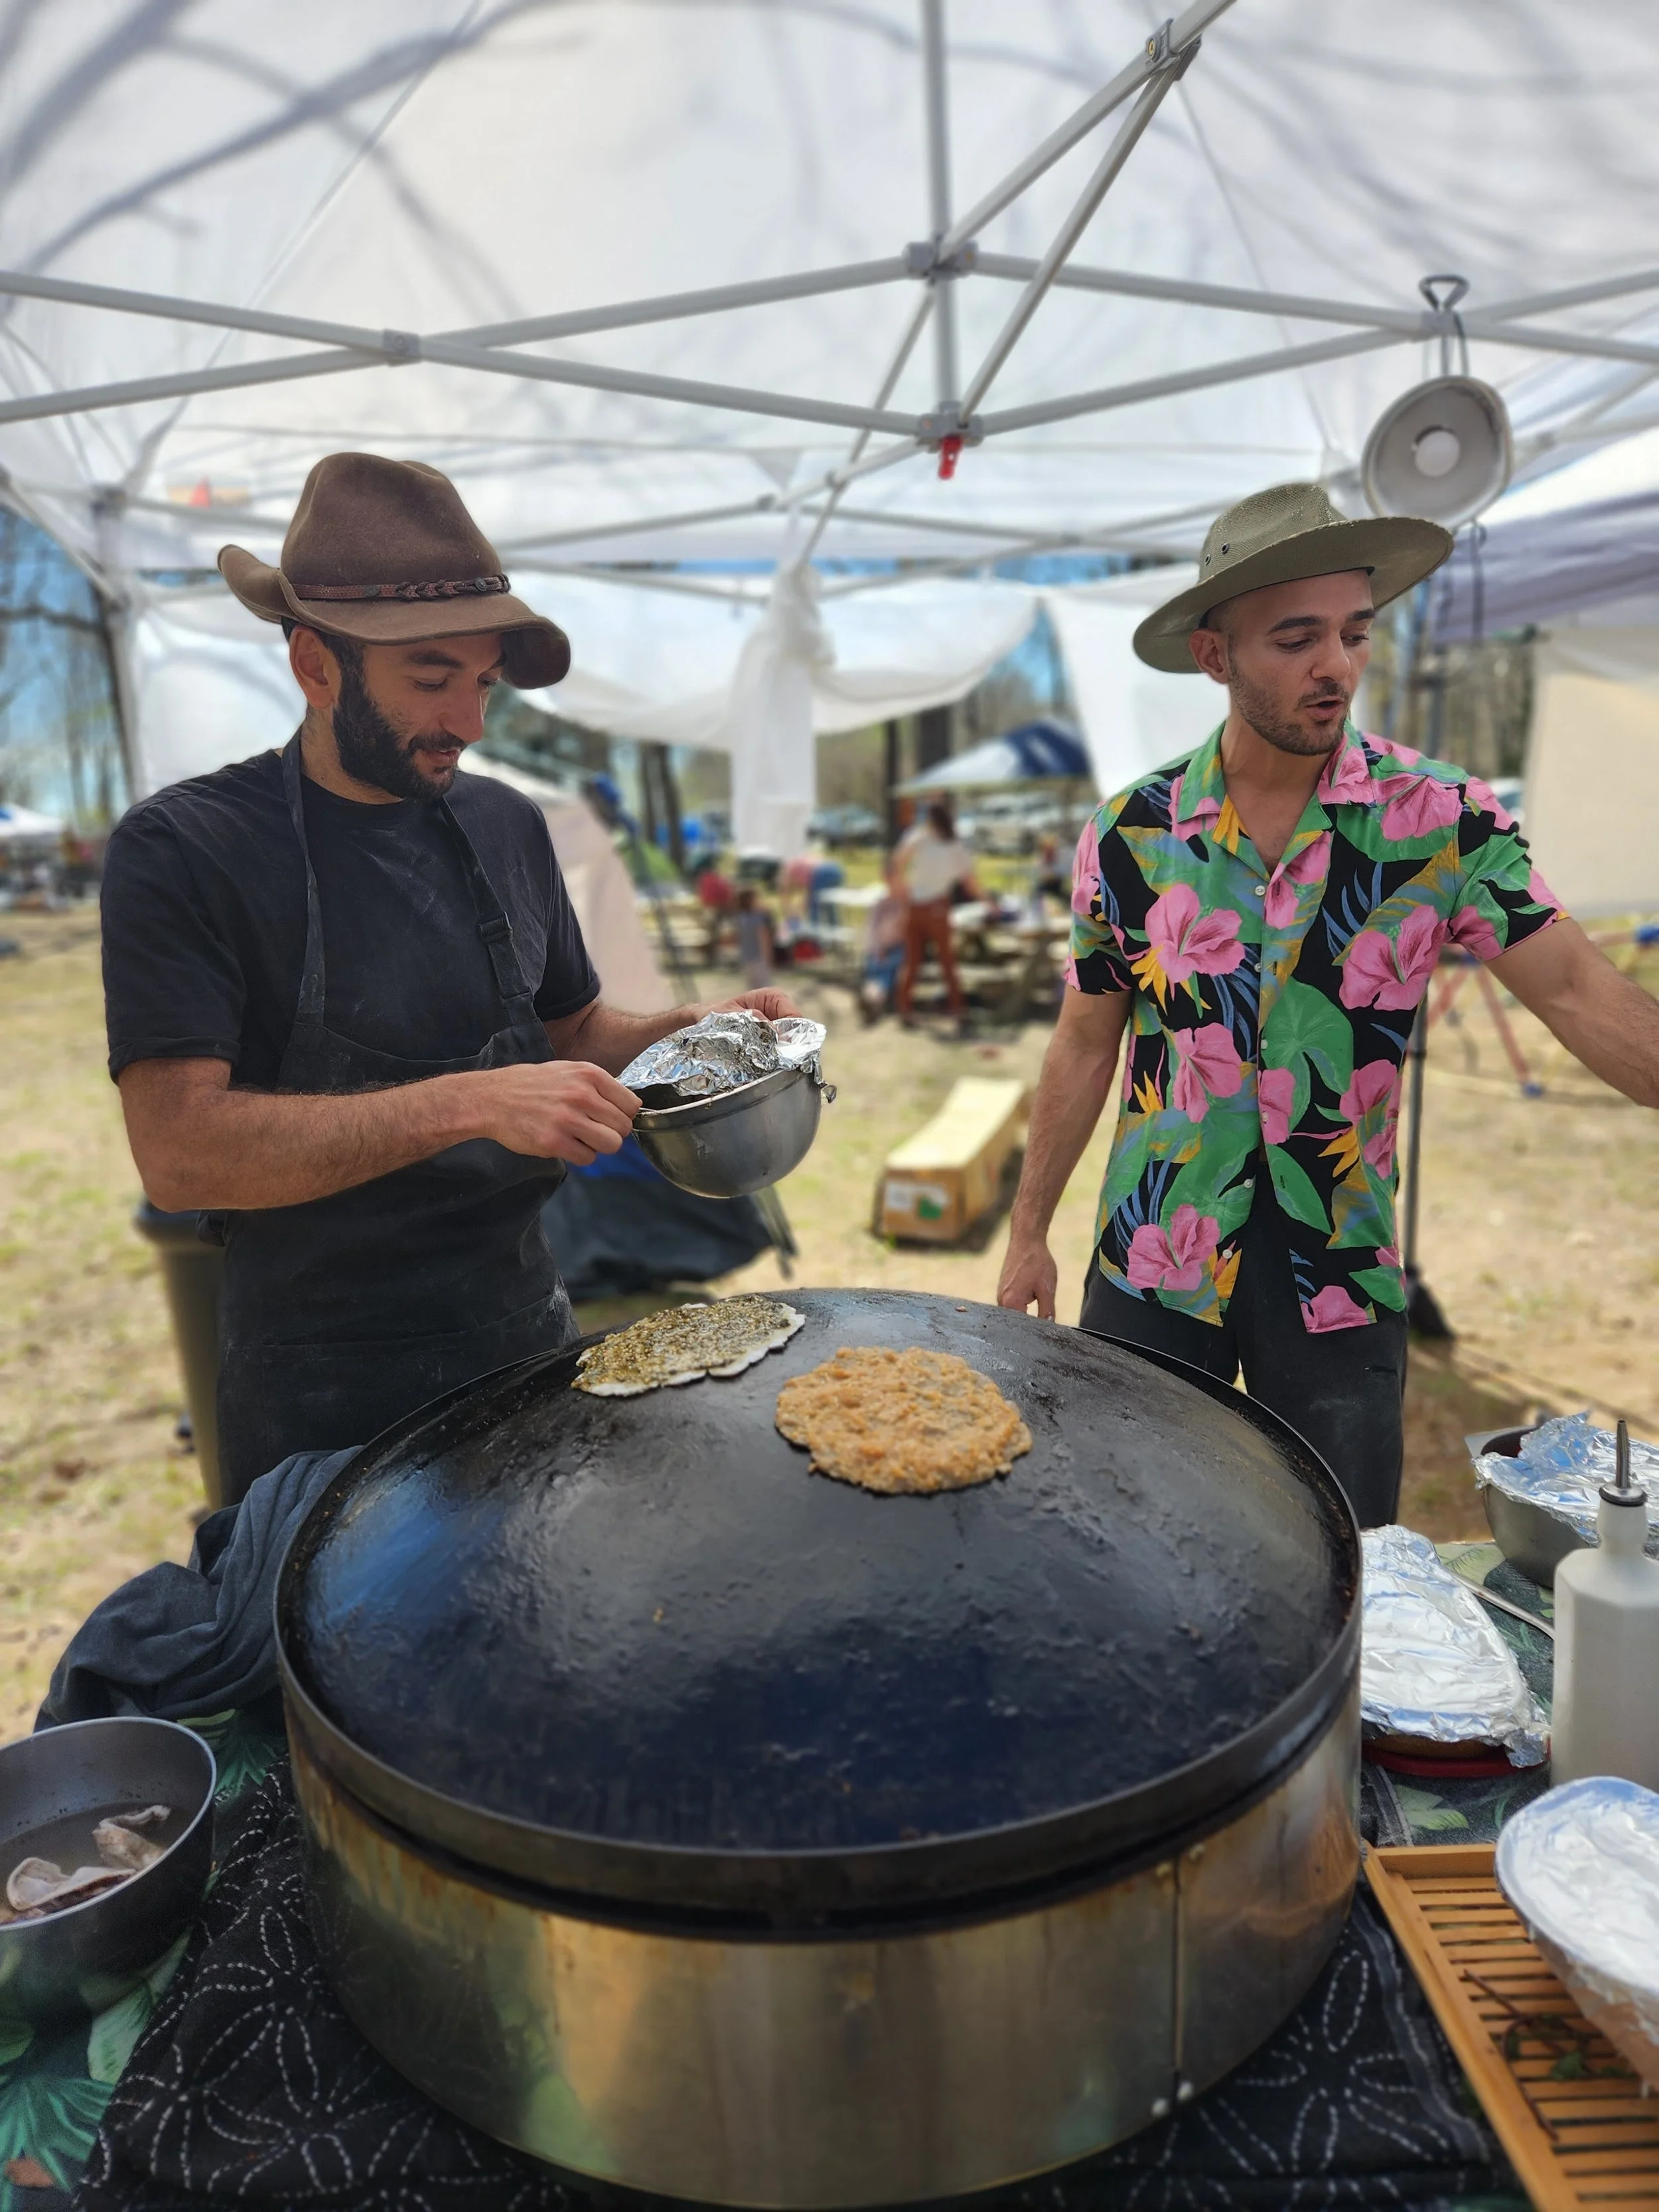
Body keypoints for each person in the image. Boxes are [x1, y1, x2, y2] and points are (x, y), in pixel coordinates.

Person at [102, 452, 793, 1500]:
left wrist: (695, 1029)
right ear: (314, 664)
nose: (469, 724)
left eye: (481, 682)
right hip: (317, 1398)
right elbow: (181, 1154)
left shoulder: (506, 824)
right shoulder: (187, 848)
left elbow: (570, 1031)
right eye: (432, 676)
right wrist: (473, 1103)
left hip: (523, 1336)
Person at [997, 480, 1659, 1528]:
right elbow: (1086, 1043)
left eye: (1354, 633)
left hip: (1339, 1265)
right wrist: (1029, 1230)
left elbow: (1577, 988)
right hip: (1154, 1253)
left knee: (1350, 1560)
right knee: (1131, 1539)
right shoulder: (1131, 833)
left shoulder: (1442, 820)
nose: (1336, 667)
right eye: (1296, 639)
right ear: (1215, 656)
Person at [894, 797, 979, 1026]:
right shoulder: (954, 846)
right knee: (947, 961)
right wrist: (988, 901)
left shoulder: (919, 838)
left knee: (912, 960)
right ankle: (958, 1009)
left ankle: (905, 1010)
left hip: (914, 905)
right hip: (937, 907)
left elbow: (898, 862)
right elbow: (969, 881)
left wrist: (902, 890)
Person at [733, 883, 775, 990]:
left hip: (746, 957)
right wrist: (769, 958)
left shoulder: (740, 917)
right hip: (759, 958)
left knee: (752, 989)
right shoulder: (758, 918)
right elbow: (764, 939)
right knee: (765, 988)